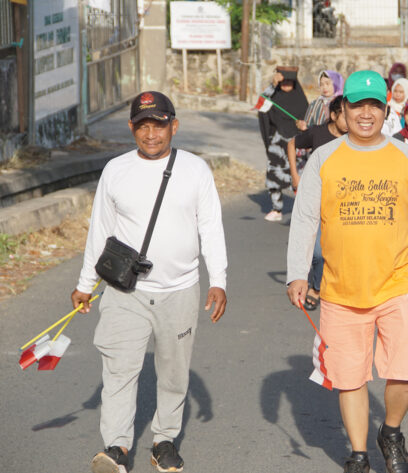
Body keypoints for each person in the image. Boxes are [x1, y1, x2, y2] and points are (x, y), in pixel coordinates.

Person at [286, 70, 408, 473]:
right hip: (340, 287)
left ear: (386, 110)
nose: (365, 113)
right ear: (343, 109)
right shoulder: (325, 158)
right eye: (357, 105)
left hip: (398, 282)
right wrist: (297, 273)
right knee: (350, 377)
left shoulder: (405, 156)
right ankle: (359, 454)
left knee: (406, 369)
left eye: (374, 105)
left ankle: (390, 431)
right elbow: (304, 219)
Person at [72, 91, 228, 473]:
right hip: (127, 291)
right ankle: (118, 447)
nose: (151, 133)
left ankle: (164, 440)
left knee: (174, 372)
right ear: (131, 128)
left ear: (173, 126)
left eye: (159, 124)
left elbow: (211, 227)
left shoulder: (195, 170)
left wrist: (218, 279)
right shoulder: (116, 170)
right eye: (143, 125)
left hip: (180, 290)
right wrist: (85, 282)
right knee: (119, 369)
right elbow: (101, 232)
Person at [287, 96, 348, 311]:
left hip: (342, 202)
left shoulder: (353, 139)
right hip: (316, 199)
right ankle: (316, 287)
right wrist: (295, 174)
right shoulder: (317, 133)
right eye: (345, 114)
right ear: (333, 115)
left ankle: (324, 286)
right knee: (317, 252)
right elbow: (292, 143)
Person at [258, 66, 309, 222]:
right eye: (283, 82)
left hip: (298, 143)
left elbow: (309, 120)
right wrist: (272, 85)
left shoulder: (301, 99)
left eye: (290, 81)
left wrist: (305, 126)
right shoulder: (274, 97)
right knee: (274, 175)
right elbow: (261, 105)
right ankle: (276, 208)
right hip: (278, 142)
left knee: (302, 177)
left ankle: (303, 210)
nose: (286, 84)